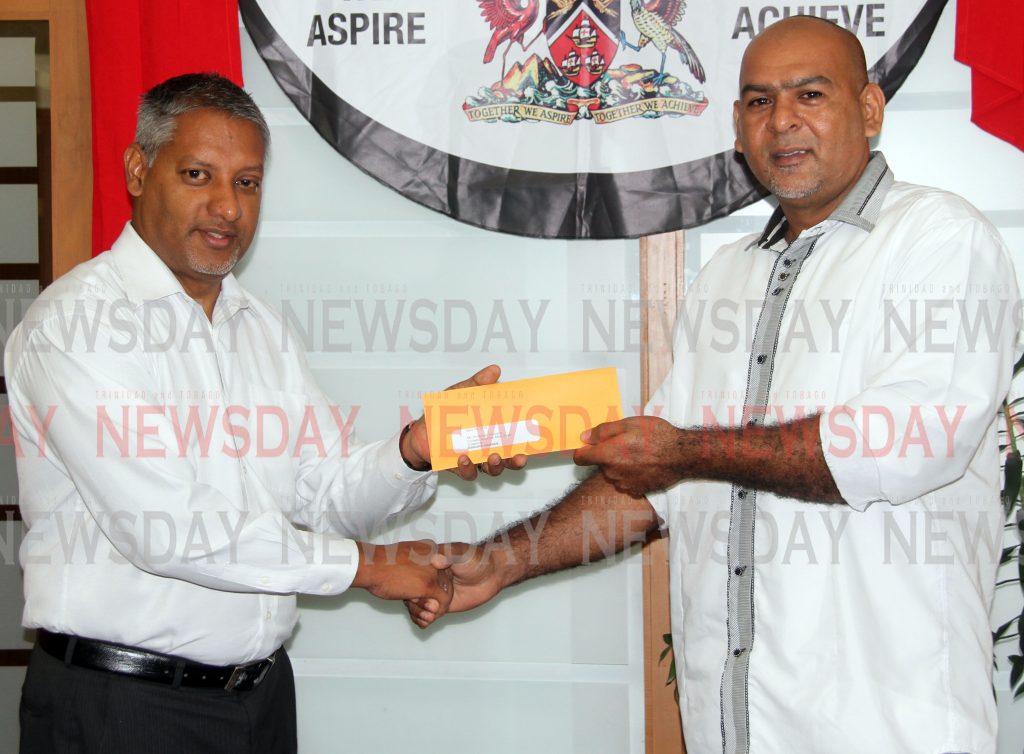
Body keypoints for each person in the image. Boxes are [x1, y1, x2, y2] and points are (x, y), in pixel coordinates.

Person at [407, 16, 1020, 754]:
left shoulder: (941, 241)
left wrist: (684, 452)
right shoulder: (729, 276)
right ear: (736, 127)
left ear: (869, 110)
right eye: (759, 101)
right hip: (736, 730)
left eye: (811, 94)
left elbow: (907, 444)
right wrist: (500, 561)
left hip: (890, 729)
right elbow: (657, 481)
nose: (782, 120)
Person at [4, 72, 523, 754]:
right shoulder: (77, 326)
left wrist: (416, 448)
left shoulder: (260, 328)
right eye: (199, 175)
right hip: (121, 712)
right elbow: (172, 531)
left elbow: (325, 494)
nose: (227, 208)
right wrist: (370, 567)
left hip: (261, 702)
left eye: (247, 183)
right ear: (138, 169)